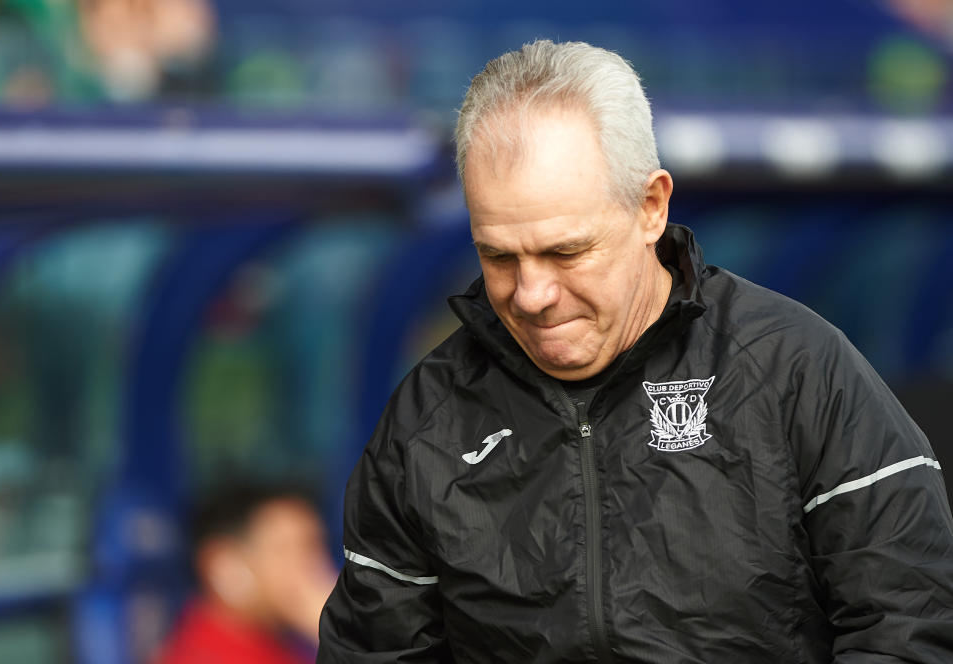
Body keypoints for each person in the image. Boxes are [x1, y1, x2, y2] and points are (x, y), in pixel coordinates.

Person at [318, 40, 953, 662]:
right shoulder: (428, 418)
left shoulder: (795, 369)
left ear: (651, 206)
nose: (532, 294)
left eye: (565, 252)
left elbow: (910, 623)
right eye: (498, 256)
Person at [154, 482, 338, 664]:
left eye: (315, 548)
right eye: (285, 550)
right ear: (224, 566)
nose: (315, 567)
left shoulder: (280, 643)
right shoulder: (203, 655)